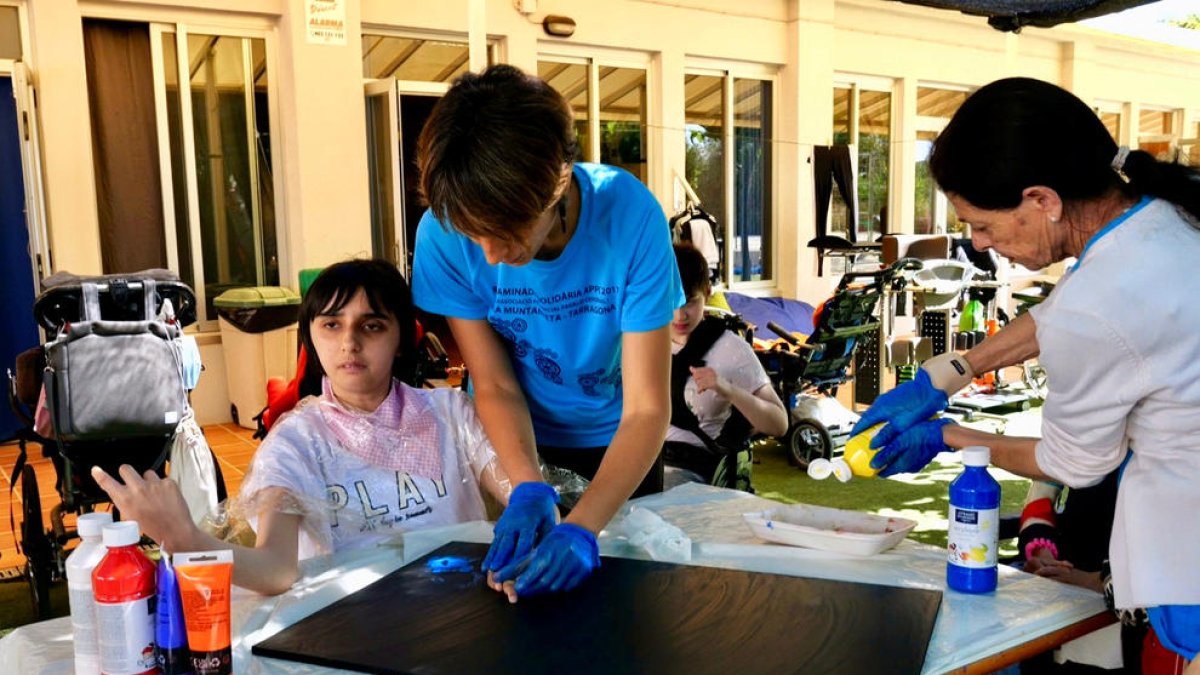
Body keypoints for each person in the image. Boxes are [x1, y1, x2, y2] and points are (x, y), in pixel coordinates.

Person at [850, 77, 1200, 674]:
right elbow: (1062, 316)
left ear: (1042, 199)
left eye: (983, 227)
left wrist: (949, 436)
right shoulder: (1164, 220)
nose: (982, 245)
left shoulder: (1101, 297)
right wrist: (947, 374)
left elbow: (1074, 463)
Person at [411, 64, 683, 600]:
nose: (492, 256)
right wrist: (527, 483)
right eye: (474, 235)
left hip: (618, 444)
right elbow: (493, 383)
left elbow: (648, 408)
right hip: (510, 445)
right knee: (512, 611)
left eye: (507, 231)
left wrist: (583, 527)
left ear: (557, 181)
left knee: (625, 614)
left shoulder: (629, 217)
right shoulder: (442, 235)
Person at [92, 259, 510, 595]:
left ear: (401, 338)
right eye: (332, 325)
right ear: (311, 336)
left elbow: (519, 496)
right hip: (355, 626)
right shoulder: (296, 442)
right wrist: (181, 536)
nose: (349, 342)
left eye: (372, 325)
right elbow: (275, 570)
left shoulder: (451, 413)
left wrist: (535, 515)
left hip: (467, 609)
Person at [663, 244, 788, 487]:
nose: (680, 316)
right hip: (643, 463)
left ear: (707, 293)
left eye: (689, 302)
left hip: (695, 473)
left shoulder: (730, 348)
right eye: (672, 302)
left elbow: (779, 424)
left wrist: (727, 389)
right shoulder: (643, 340)